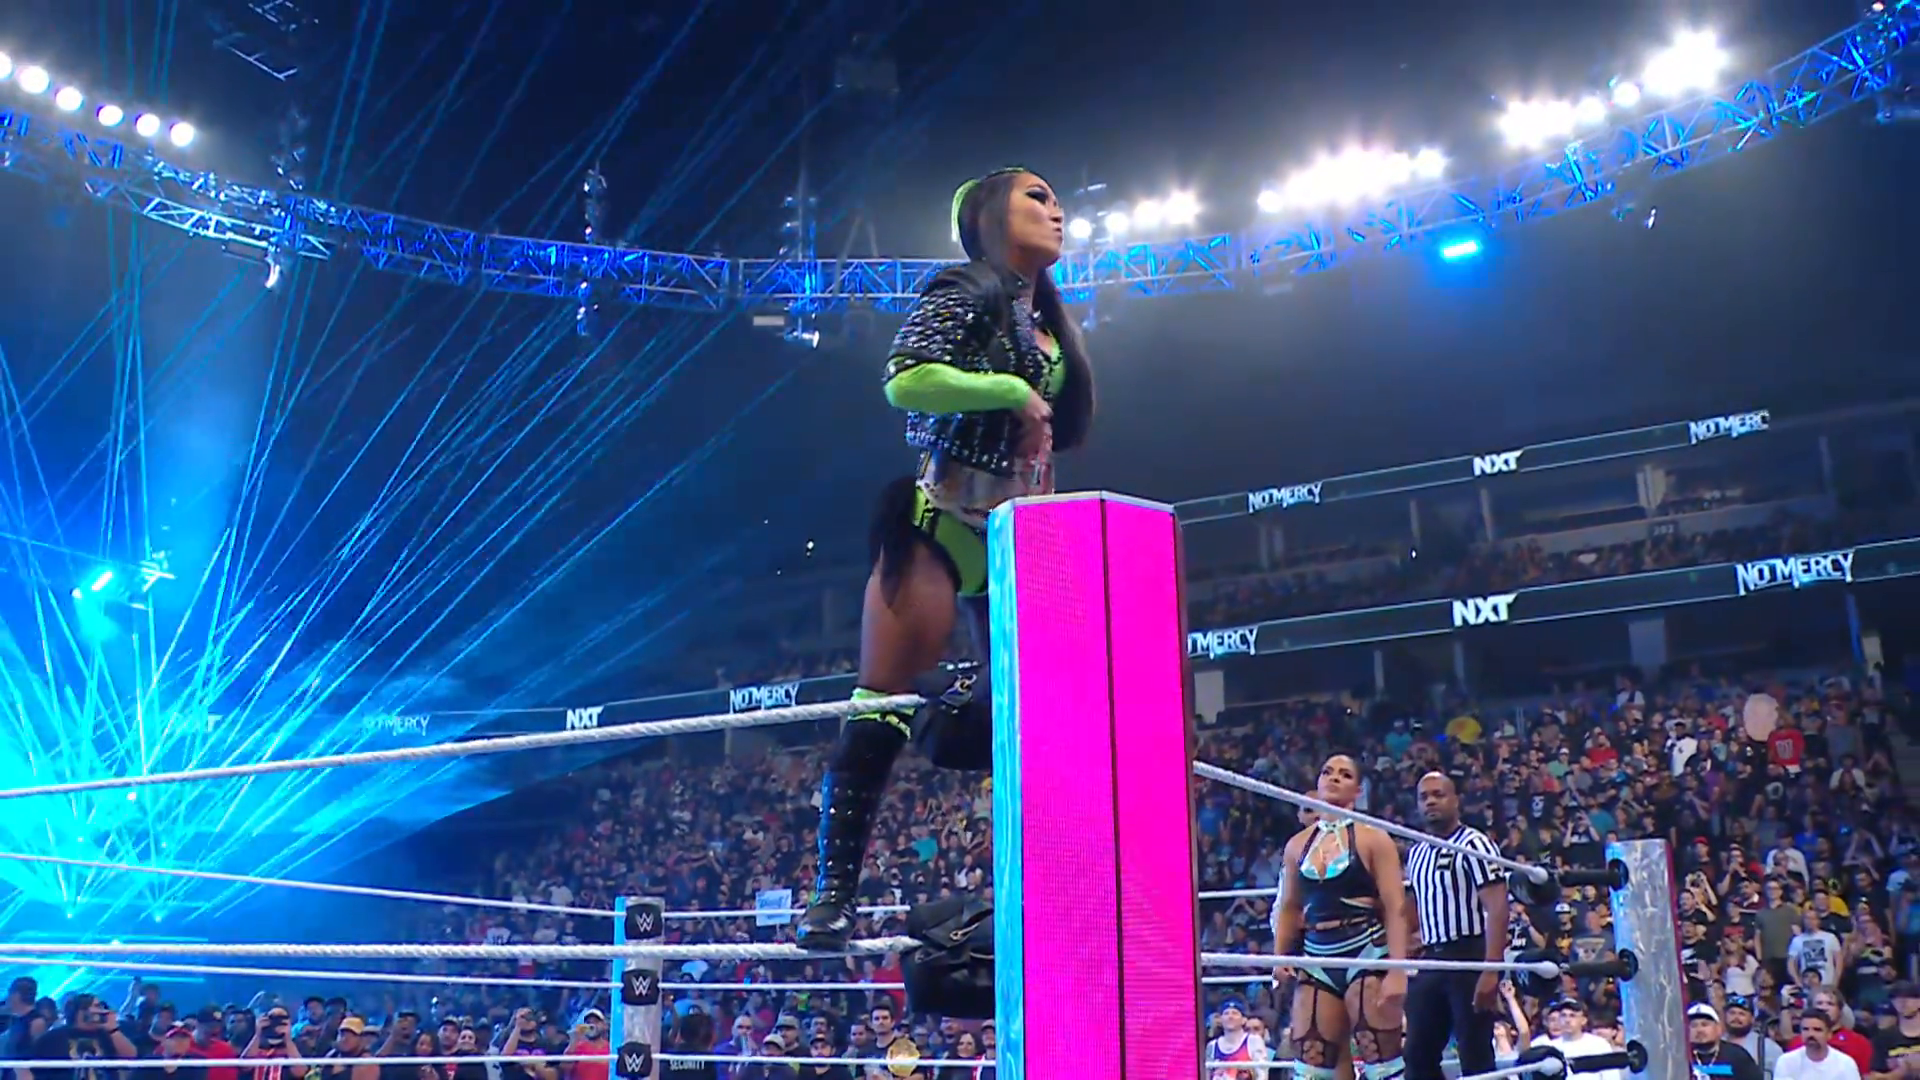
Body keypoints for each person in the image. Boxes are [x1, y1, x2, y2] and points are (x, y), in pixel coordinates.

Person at [796, 165, 1094, 947]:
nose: (1056, 210)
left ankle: (1052, 879)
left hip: (1022, 537)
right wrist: (1010, 393)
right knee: (879, 704)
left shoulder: (1049, 321)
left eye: (1057, 199)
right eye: (1037, 197)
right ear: (991, 215)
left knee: (1030, 717)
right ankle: (832, 896)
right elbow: (907, 381)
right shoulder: (966, 288)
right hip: (944, 518)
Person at [1273, 754, 1413, 1080]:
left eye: (1345, 774)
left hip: (1366, 950)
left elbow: (1395, 907)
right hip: (1317, 953)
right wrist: (1280, 957)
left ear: (1358, 790)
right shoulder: (1297, 845)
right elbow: (1290, 906)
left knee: (1378, 1054)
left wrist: (1398, 970)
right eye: (1327, 772)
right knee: (1310, 1057)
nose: (1334, 778)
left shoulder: (1374, 838)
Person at [1403, 772, 1509, 1080]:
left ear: (1455, 801)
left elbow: (1497, 907)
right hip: (1432, 958)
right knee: (1417, 1054)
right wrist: (1402, 943)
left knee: (1474, 1052)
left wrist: (1491, 970)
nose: (1430, 802)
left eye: (1438, 794)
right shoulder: (1417, 852)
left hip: (1469, 955)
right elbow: (1416, 906)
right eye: (1424, 797)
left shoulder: (1475, 844)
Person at [1687, 1004, 1764, 1080]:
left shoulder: (1737, 1055)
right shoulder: (1682, 1057)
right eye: (1693, 1025)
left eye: (1705, 1024)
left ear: (1718, 1028)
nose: (1699, 1030)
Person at [1778, 1013, 1862, 1080]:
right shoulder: (1786, 1061)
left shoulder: (1846, 1063)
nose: (1811, 1034)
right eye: (1805, 1029)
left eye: (1817, 1030)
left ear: (1829, 1034)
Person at [1205, 998, 1270, 1080]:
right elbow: (1206, 1075)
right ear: (1221, 1020)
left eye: (1235, 1013)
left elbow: (1262, 1075)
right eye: (1226, 1013)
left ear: (1243, 1020)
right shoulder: (1212, 1046)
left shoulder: (1253, 1041)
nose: (1230, 1017)